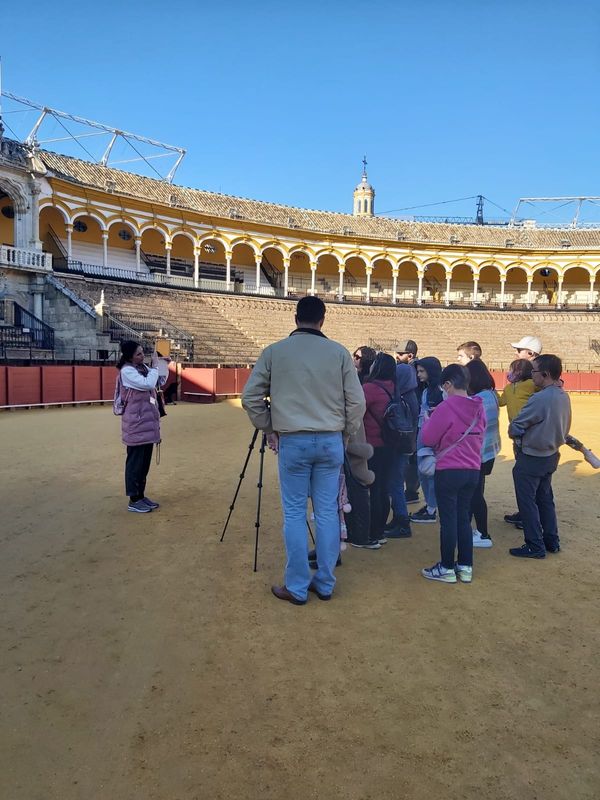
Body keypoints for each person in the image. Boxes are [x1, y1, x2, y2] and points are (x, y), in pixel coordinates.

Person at [242, 296, 365, 604]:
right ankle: (325, 582)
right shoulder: (338, 353)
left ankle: (297, 587)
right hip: (330, 440)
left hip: (293, 440)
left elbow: (250, 398)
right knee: (326, 512)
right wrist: (345, 434)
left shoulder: (274, 352)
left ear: (295, 318)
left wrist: (269, 427)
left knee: (294, 513)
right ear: (322, 320)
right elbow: (357, 403)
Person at [420, 364, 485, 583]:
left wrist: (430, 421)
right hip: (472, 469)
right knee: (463, 519)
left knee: (448, 520)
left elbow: (428, 438)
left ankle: (447, 567)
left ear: (448, 384)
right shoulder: (479, 407)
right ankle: (465, 566)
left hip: (448, 469)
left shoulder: (446, 407)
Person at [508, 354, 571, 559]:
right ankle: (551, 540)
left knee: (528, 501)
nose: (531, 375)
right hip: (551, 455)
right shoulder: (563, 395)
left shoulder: (540, 398)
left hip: (532, 455)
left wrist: (515, 433)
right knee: (545, 498)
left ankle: (534, 544)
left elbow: (517, 426)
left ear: (544, 374)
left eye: (534, 371)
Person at [116, 340, 162, 513]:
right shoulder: (127, 371)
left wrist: (162, 365)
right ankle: (133, 499)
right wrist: (156, 369)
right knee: (135, 463)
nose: (142, 356)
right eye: (139, 354)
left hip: (146, 423)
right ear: (129, 356)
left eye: (143, 352)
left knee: (143, 464)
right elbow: (148, 384)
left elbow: (159, 381)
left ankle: (141, 496)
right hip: (136, 424)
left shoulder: (142, 369)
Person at [361, 352, 397, 548]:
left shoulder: (370, 388)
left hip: (371, 444)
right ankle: (380, 531)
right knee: (383, 489)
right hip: (389, 444)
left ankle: (371, 534)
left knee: (372, 490)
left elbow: (356, 411)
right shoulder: (394, 387)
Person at [466, 360, 500, 548]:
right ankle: (477, 530)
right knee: (476, 492)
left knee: (475, 494)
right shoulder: (491, 395)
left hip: (477, 453)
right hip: (488, 451)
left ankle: (483, 533)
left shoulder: (477, 400)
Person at [499, 359, 537, 531]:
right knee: (522, 471)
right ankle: (524, 512)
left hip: (531, 432)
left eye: (514, 369)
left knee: (526, 474)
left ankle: (529, 514)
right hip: (517, 434)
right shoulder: (508, 388)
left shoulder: (531, 384)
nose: (510, 372)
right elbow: (501, 402)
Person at [384, 362, 419, 538]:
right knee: (395, 483)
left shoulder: (403, 398)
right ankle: (399, 518)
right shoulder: (410, 395)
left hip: (400, 446)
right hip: (406, 445)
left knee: (395, 484)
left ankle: (402, 521)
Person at [410, 357, 444, 524]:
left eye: (422, 371)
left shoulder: (440, 391)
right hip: (423, 433)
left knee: (429, 472)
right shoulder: (426, 390)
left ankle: (432, 508)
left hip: (432, 437)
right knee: (423, 471)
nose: (418, 374)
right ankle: (430, 505)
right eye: (418, 371)